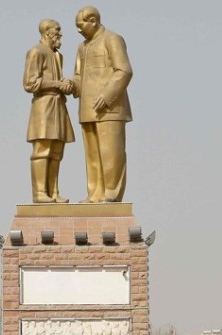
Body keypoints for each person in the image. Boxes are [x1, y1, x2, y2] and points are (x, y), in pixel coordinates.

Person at [72, 5, 133, 203]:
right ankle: (95, 194)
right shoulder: (82, 47)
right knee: (93, 156)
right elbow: (79, 76)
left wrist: (107, 96)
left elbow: (124, 71)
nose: (79, 30)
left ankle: (111, 195)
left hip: (110, 108)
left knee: (111, 154)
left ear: (93, 21)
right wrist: (69, 84)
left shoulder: (113, 39)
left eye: (81, 25)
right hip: (87, 109)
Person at [24, 18, 75, 203]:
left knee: (56, 151)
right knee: (42, 150)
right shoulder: (36, 52)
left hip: (58, 104)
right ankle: (39, 193)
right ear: (47, 32)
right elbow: (30, 83)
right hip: (43, 105)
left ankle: (53, 192)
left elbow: (59, 80)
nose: (60, 34)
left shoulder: (57, 55)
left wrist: (67, 84)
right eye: (57, 30)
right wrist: (57, 84)